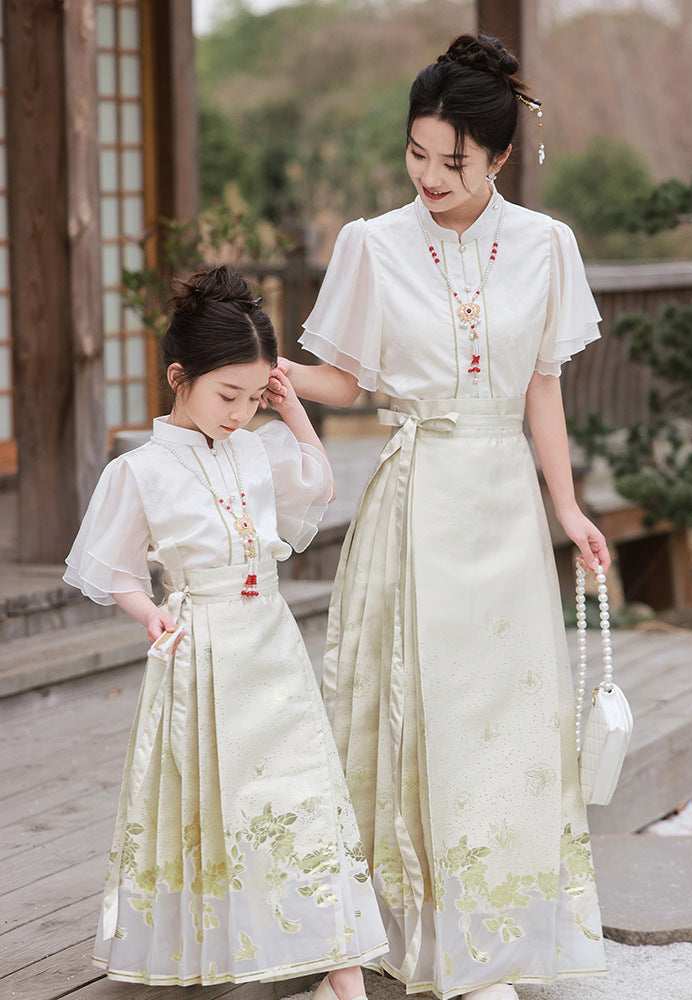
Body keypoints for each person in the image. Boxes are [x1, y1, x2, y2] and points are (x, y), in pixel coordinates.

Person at [270, 33, 612, 1000]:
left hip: (502, 505)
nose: (429, 175)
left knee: (502, 719)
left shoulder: (547, 248)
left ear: (499, 156)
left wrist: (568, 507)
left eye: (452, 161)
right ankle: (415, 934)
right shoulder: (372, 244)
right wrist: (271, 371)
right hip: (417, 499)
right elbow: (348, 377)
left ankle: (494, 939)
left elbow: (541, 389)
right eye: (416, 154)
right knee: (420, 710)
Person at [64, 267, 387, 993]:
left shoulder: (255, 447)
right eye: (227, 395)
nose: (241, 412)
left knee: (306, 794)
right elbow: (113, 568)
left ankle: (345, 979)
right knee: (217, 800)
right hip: (201, 646)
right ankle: (223, 949)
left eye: (253, 395)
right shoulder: (142, 471)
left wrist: (290, 404)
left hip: (269, 641)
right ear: (179, 378)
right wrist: (150, 613)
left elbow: (318, 481)